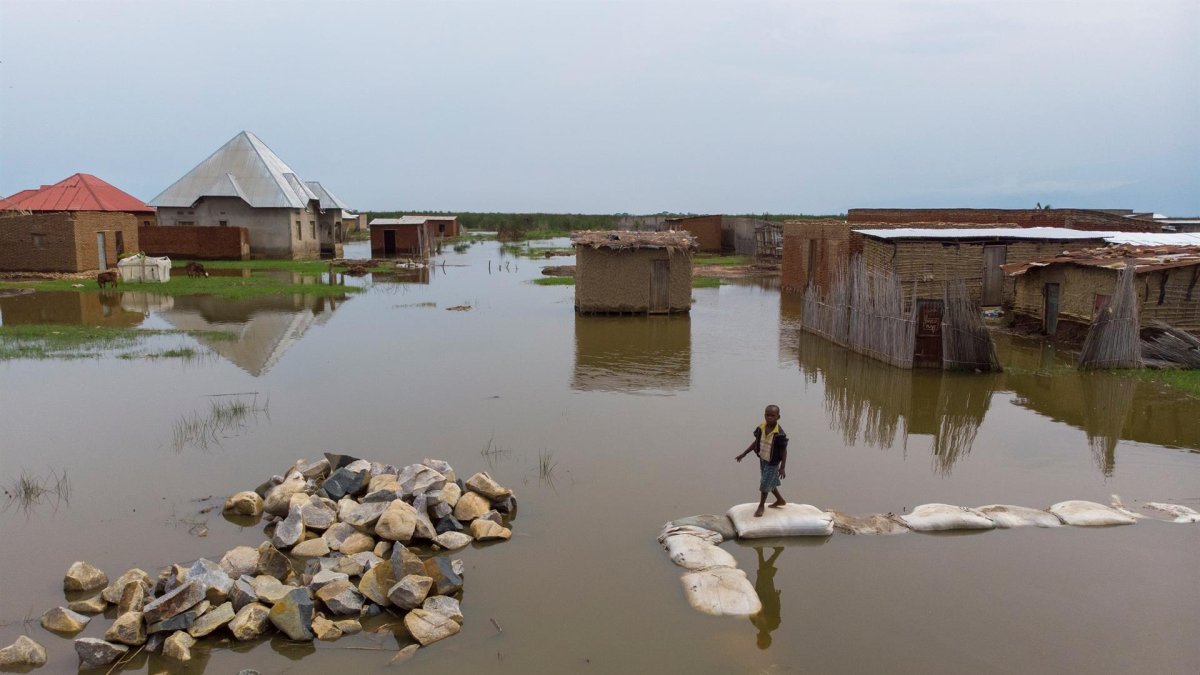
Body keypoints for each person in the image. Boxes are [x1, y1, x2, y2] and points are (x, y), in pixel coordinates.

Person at [734, 404, 788, 517]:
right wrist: (744, 453)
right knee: (769, 482)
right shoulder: (761, 428)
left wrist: (782, 467)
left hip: (773, 462)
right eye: (767, 415)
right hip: (763, 459)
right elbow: (756, 442)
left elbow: (784, 451)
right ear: (764, 415)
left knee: (764, 483)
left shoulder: (780, 434)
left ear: (778, 417)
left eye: (772, 415)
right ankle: (780, 500)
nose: (769, 417)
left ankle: (761, 505)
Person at [749, 546, 783, 649]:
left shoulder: (756, 624)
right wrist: (776, 597)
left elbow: (751, 610)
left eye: (759, 641)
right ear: (768, 639)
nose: (759, 638)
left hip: (759, 595)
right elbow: (777, 609)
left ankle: (766, 552)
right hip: (768, 596)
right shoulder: (773, 625)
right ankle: (769, 552)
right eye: (762, 641)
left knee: (762, 574)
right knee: (764, 574)